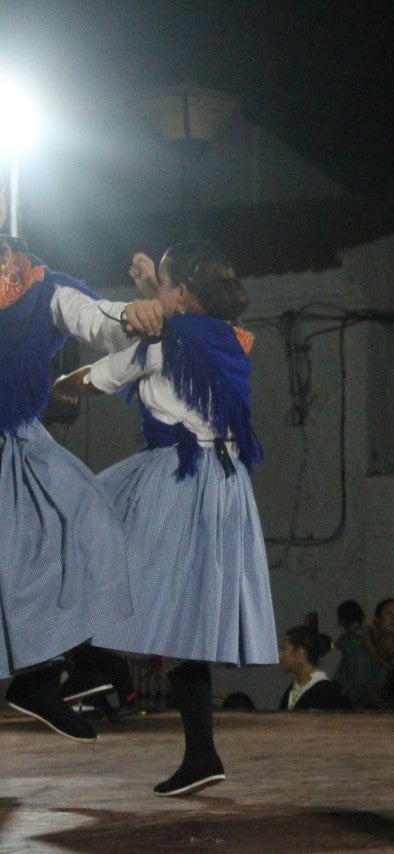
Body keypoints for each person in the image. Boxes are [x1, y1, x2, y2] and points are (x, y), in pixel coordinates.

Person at [52, 240, 276, 796]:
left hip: (178, 475)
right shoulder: (231, 336)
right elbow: (182, 326)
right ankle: (201, 754)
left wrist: (54, 387)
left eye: (168, 286)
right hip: (226, 486)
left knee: (76, 528)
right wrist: (157, 284)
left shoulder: (165, 342)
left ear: (182, 295)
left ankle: (92, 668)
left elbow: (100, 375)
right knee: (190, 622)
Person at [0, 195, 162, 743]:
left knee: (89, 521)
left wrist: (132, 313)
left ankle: (55, 670)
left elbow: (96, 318)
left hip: (18, 438)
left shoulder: (40, 283)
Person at [278, 625, 351, 711]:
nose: (280, 655)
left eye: (284, 649)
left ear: (300, 653)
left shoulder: (328, 693)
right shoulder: (290, 692)